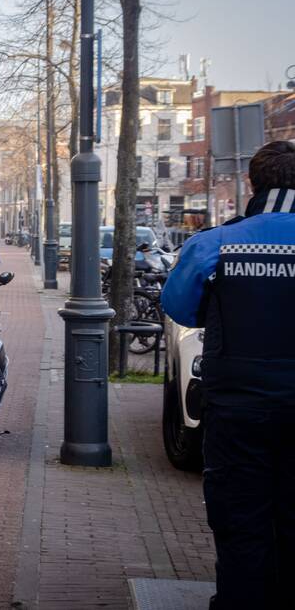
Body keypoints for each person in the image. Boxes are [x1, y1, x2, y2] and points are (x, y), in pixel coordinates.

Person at [161, 140, 295, 609]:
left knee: (240, 519)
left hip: (237, 409)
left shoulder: (217, 242)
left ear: (252, 184)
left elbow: (179, 308)